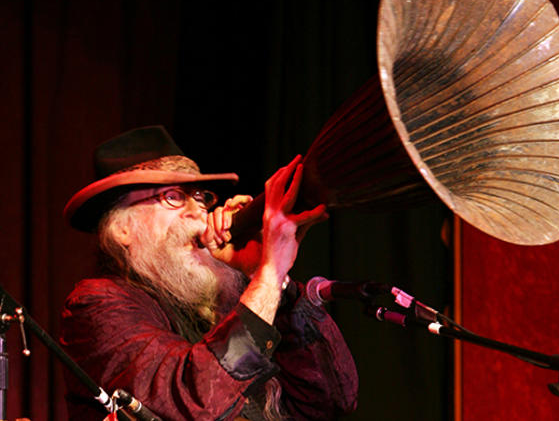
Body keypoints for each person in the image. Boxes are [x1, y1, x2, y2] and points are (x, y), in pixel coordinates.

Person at [60, 125, 359, 420]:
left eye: (200, 197)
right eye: (174, 196)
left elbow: (331, 400)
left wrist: (271, 282)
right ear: (122, 229)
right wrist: (269, 274)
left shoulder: (236, 301)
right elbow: (194, 401)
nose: (197, 211)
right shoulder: (97, 305)